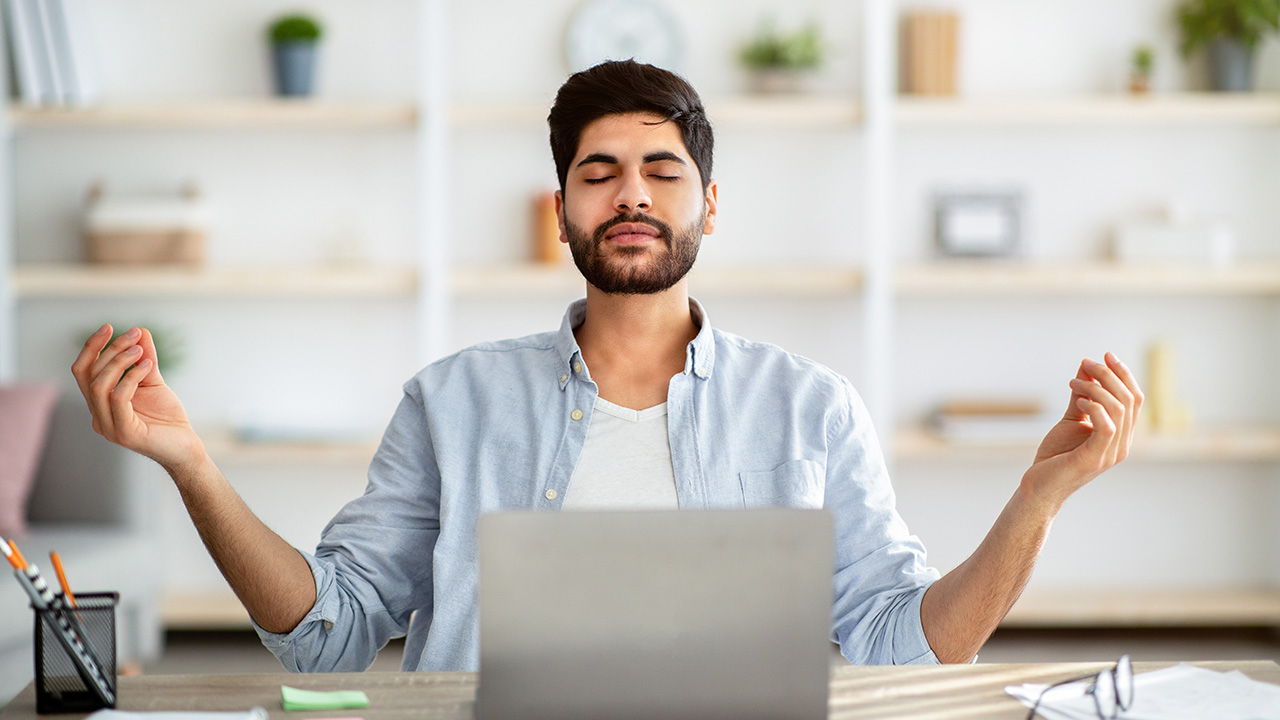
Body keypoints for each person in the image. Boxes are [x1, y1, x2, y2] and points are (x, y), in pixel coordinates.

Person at [71, 60, 1142, 671]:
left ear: (707, 207)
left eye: (660, 171)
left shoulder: (810, 408)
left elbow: (905, 643)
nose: (630, 195)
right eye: (599, 172)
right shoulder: (451, 401)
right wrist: (193, 466)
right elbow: (327, 637)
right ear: (563, 212)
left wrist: (1037, 499)